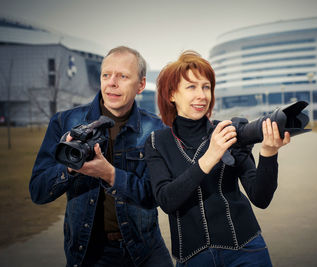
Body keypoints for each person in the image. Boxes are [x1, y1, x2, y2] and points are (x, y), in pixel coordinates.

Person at [29, 46, 173, 267]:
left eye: (123, 76)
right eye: (106, 75)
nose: (111, 83)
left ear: (141, 85)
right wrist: (70, 168)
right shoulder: (64, 122)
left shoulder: (156, 128)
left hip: (146, 251)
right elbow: (38, 192)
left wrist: (111, 175)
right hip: (88, 253)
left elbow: (156, 197)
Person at [145, 51, 290, 266]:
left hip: (247, 251)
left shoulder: (229, 131)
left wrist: (269, 154)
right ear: (171, 94)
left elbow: (261, 198)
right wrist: (210, 156)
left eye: (206, 87)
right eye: (191, 87)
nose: (202, 95)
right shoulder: (157, 142)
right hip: (193, 259)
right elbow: (166, 200)